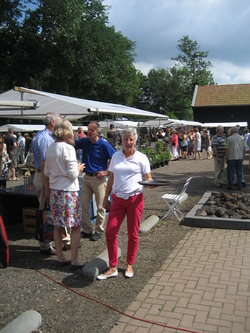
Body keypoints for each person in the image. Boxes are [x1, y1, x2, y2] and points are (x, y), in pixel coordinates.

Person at [97, 127, 153, 280]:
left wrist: (152, 183)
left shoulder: (142, 157)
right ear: (121, 140)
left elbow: (148, 177)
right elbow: (112, 178)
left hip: (135, 200)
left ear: (135, 140)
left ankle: (129, 264)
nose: (128, 142)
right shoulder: (116, 156)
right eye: (125, 139)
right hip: (118, 200)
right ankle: (113, 267)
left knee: (133, 234)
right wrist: (106, 197)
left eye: (131, 139)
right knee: (110, 232)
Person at [44, 119, 85, 269]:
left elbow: (47, 172)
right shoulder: (68, 149)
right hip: (68, 192)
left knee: (57, 225)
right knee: (75, 225)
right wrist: (80, 167)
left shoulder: (50, 148)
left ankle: (60, 256)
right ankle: (74, 260)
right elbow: (73, 173)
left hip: (55, 191)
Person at [71, 121, 116, 241]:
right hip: (87, 178)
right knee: (83, 205)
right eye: (88, 130)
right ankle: (87, 230)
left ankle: (99, 230)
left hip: (99, 179)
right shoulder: (85, 141)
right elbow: (72, 143)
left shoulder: (103, 145)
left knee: (101, 206)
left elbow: (115, 157)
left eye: (92, 130)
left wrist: (106, 171)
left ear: (98, 132)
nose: (89, 132)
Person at [32, 112, 61, 255]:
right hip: (44, 177)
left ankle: (50, 242)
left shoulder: (42, 135)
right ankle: (45, 245)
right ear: (53, 123)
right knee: (45, 210)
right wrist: (48, 187)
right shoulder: (45, 139)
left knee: (46, 209)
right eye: (60, 121)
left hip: (43, 176)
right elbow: (44, 165)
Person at [225, 126, 245, 190]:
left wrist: (226, 157)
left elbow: (227, 149)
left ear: (232, 131)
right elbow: (244, 148)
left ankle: (230, 185)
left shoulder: (229, 139)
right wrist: (243, 155)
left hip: (231, 157)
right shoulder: (242, 138)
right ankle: (239, 185)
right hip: (240, 157)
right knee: (239, 172)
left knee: (231, 172)